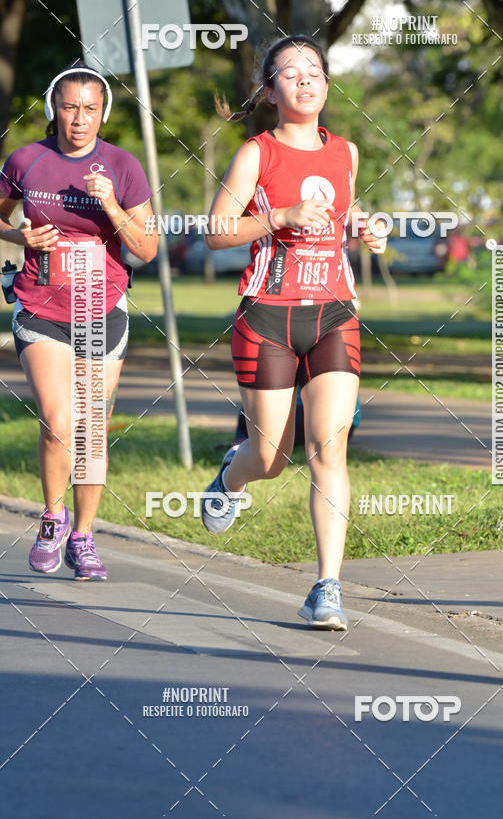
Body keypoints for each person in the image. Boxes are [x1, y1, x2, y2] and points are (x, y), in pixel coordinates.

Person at [202, 35, 385, 630]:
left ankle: (327, 587)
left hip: (334, 311)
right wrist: (277, 217)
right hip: (267, 316)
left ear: (327, 84)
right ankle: (232, 477)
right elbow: (217, 231)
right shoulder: (257, 153)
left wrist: (365, 229)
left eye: (314, 71)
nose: (305, 80)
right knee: (272, 457)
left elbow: (341, 221)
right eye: (290, 73)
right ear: (271, 90)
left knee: (329, 448)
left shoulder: (347, 152)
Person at [0, 65, 157, 580]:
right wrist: (21, 238)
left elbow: (148, 247)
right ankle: (52, 517)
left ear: (103, 114)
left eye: (91, 109)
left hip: (101, 308)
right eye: (70, 107)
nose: (79, 118)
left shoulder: (123, 166)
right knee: (56, 419)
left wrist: (110, 203)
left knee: (91, 431)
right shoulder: (26, 160)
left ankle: (84, 537)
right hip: (40, 307)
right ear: (53, 110)